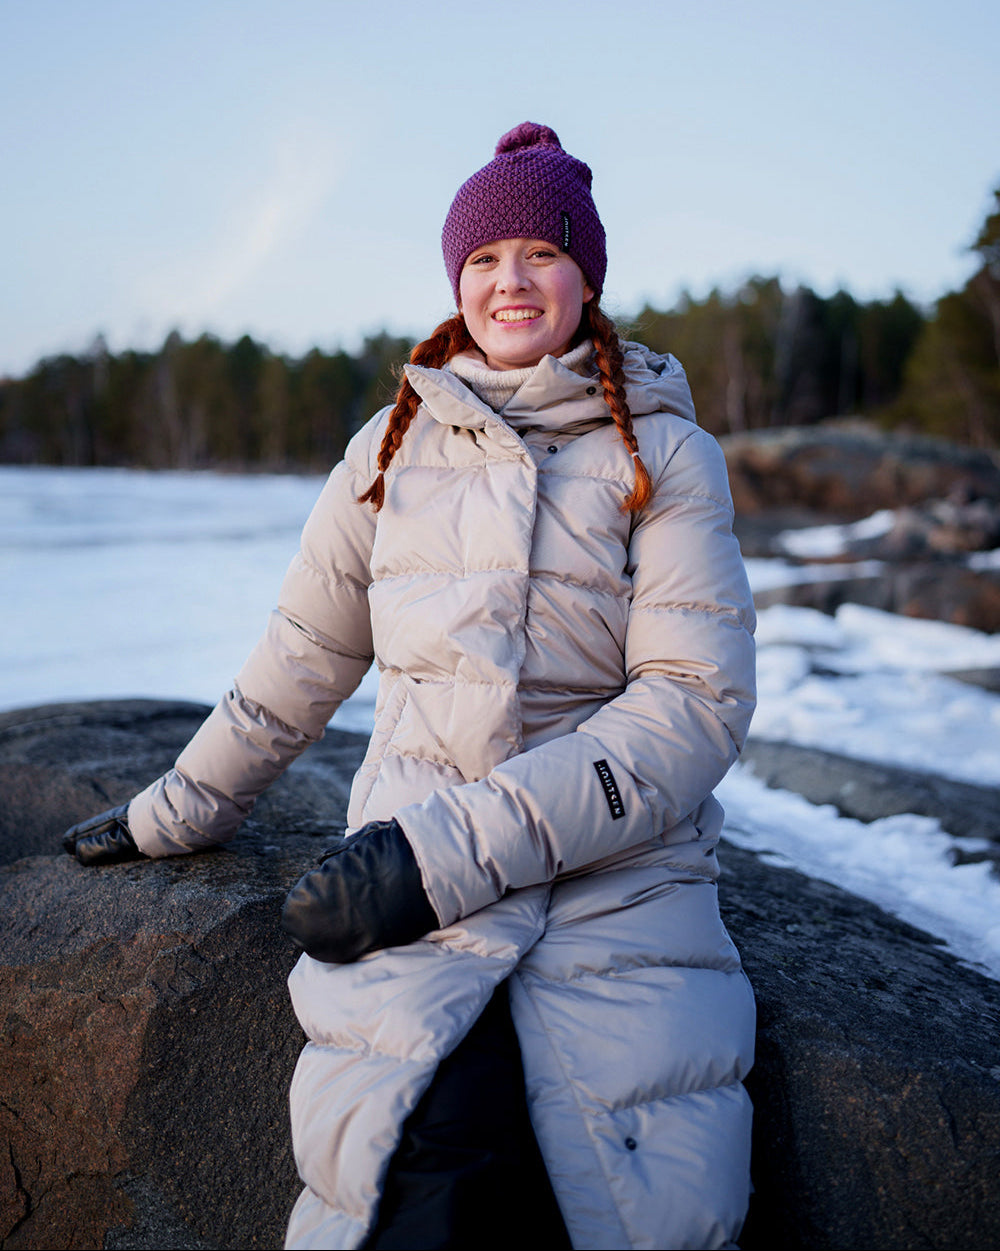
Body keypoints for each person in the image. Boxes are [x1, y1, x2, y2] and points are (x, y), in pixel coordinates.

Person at [63, 122, 758, 1250]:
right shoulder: (389, 449)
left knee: (625, 1202)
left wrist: (442, 856)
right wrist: (174, 811)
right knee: (413, 1175)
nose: (511, 280)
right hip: (413, 868)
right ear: (455, 280)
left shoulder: (667, 456)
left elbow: (691, 706)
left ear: (586, 274)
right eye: (484, 258)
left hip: (610, 874)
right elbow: (300, 657)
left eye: (540, 251)